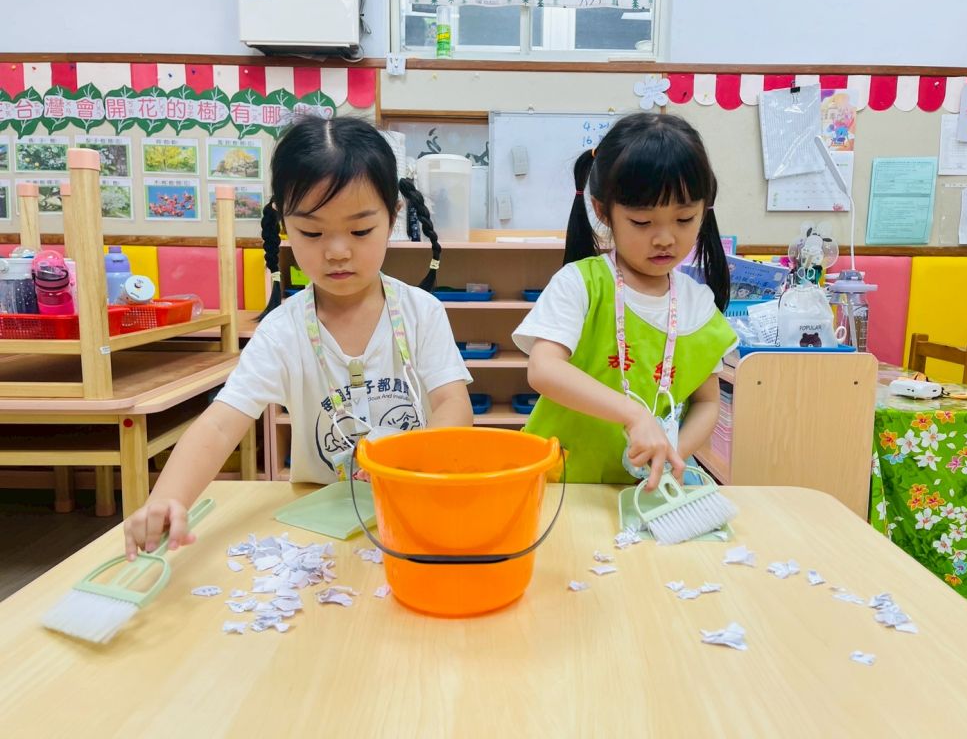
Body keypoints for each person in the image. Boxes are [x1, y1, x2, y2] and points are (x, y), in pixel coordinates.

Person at [124, 116, 472, 558]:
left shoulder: (421, 312)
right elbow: (220, 424)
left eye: (360, 231)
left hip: (413, 505)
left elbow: (453, 403)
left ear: (393, 218)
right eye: (312, 232)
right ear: (284, 222)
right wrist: (167, 499)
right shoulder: (282, 331)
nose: (338, 251)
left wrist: (412, 456)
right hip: (317, 522)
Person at [513, 113, 736, 487]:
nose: (665, 239)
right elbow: (544, 369)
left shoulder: (697, 304)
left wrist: (671, 453)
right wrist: (634, 415)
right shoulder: (580, 284)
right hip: (561, 485)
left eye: (684, 219)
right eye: (642, 222)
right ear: (603, 211)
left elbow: (707, 402)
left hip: (642, 492)